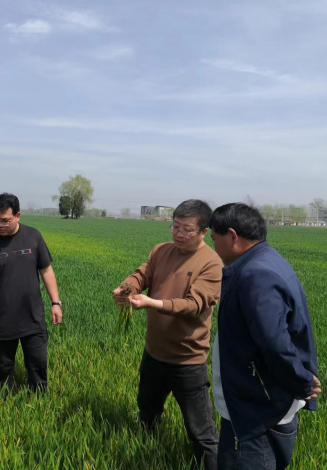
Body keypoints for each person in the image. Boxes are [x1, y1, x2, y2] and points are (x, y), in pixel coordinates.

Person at [209, 203, 320, 470]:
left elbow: (274, 343)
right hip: (260, 402)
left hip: (255, 410)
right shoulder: (267, 260)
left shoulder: (255, 274)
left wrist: (303, 381)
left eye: (214, 239)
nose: (213, 247)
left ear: (233, 236)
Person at [113, 199, 221, 470]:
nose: (179, 234)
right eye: (175, 227)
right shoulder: (161, 251)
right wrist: (126, 288)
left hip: (187, 359)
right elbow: (142, 275)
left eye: (187, 229)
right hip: (154, 353)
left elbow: (194, 305)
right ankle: (146, 456)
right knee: (147, 412)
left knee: (201, 431)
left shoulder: (212, 263)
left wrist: (152, 303)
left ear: (203, 231)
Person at [0, 193, 62, 393]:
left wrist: (55, 303)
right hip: (1, 319)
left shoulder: (33, 236)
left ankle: (39, 401)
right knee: (3, 371)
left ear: (17, 215)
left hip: (32, 316)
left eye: (5, 220)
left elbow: (46, 270)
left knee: (38, 365)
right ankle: (4, 404)